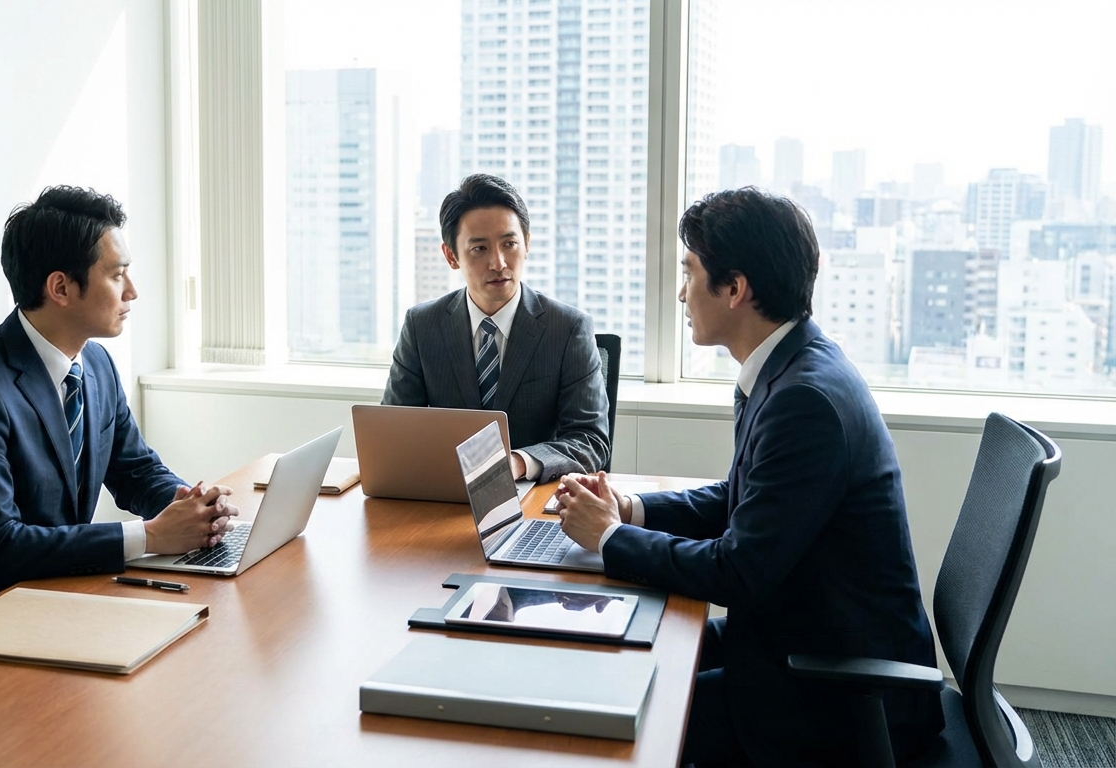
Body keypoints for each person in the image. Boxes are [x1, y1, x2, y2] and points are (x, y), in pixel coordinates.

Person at [555, 188, 943, 765]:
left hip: (838, 695)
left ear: (735, 289)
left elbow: (738, 571)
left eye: (689, 273)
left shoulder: (803, 400)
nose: (681, 292)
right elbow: (743, 501)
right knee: (621, 658)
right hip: (800, 645)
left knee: (609, 724)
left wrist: (609, 538)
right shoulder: (794, 366)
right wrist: (631, 509)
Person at [0, 186, 237, 608]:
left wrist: (192, 506)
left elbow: (136, 470)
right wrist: (150, 535)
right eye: (116, 274)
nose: (132, 291)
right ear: (61, 287)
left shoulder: (95, 364)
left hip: (54, 594)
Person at [382, 174, 609, 481]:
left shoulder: (568, 329)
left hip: (531, 495)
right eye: (480, 249)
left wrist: (517, 463)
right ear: (451, 256)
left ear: (526, 244)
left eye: (509, 244)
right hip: (446, 494)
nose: (499, 263)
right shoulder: (422, 326)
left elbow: (590, 441)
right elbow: (393, 431)